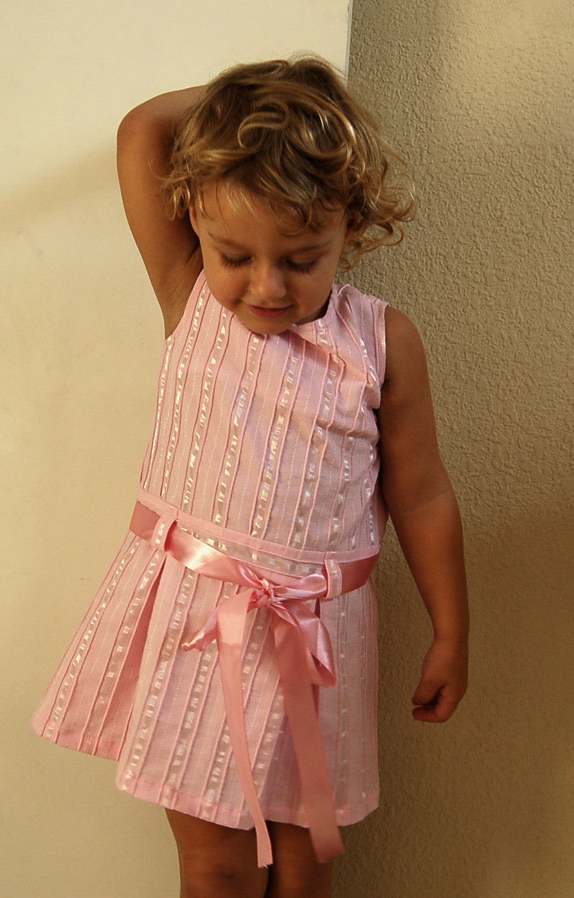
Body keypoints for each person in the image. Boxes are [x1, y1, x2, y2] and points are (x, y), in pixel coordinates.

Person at [31, 56, 469, 898]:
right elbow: (143, 131)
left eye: (300, 260)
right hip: (200, 628)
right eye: (235, 255)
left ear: (349, 224)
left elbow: (420, 494)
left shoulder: (383, 342)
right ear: (194, 217)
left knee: (306, 869)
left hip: (321, 641)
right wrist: (269, 96)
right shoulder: (190, 293)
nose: (265, 286)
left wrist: (450, 630)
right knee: (218, 870)